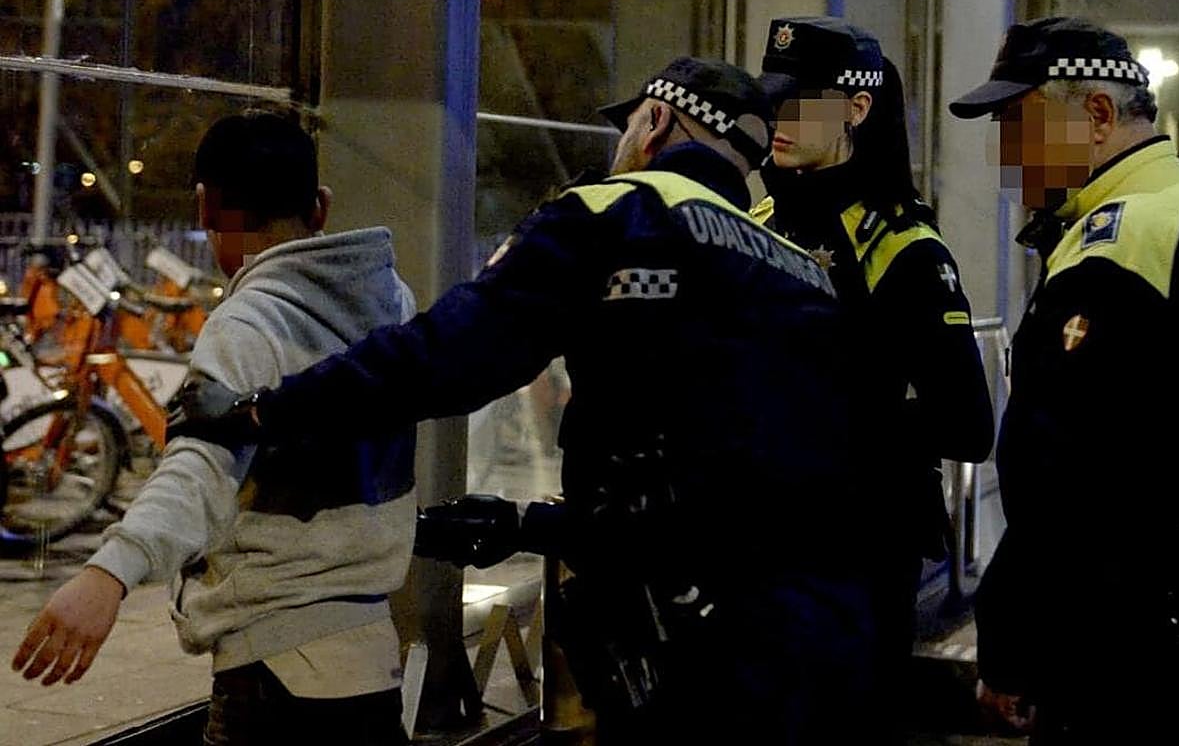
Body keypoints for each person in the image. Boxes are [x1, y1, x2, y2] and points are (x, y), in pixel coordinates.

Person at [168, 57, 877, 744]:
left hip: (696, 650)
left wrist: (263, 409)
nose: (623, 142)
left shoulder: (613, 213)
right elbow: (737, 475)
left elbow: (444, 357)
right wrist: (524, 524)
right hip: (828, 629)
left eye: (629, 124)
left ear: (656, 120)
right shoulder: (797, 268)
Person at [11, 112, 419, 746]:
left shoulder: (249, 325)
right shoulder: (392, 302)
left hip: (278, 670)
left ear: (206, 210)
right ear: (321, 208)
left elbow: (201, 464)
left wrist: (108, 573)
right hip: (368, 656)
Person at [950, 17, 1179, 743]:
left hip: (1123, 652)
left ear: (1096, 116)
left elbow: (1064, 485)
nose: (1005, 156)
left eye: (1018, 125)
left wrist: (1010, 647)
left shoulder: (1116, 248)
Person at [753, 16, 995, 738]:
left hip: (854, 555)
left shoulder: (904, 247)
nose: (778, 120)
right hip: (757, 548)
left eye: (801, 102)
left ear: (857, 108)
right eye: (773, 99)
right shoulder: (751, 219)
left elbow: (969, 424)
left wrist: (831, 420)